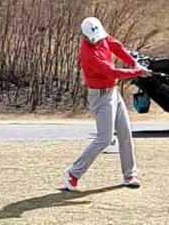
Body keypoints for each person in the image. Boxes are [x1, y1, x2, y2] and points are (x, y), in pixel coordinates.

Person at [63, 17, 152, 191]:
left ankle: (130, 175)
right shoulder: (89, 54)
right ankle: (73, 173)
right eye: (94, 39)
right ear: (85, 37)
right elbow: (111, 72)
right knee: (104, 138)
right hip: (100, 97)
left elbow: (116, 46)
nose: (98, 41)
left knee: (125, 132)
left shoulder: (101, 37)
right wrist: (136, 72)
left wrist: (134, 62)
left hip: (113, 92)